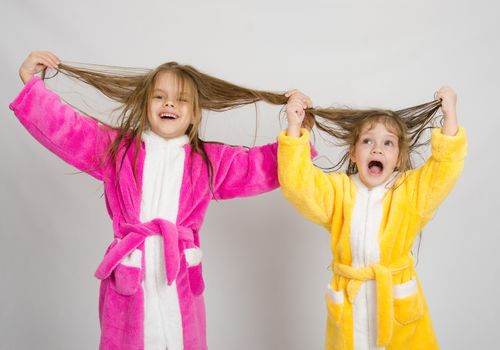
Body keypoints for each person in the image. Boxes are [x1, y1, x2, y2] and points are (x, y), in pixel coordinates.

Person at [10, 51, 310, 350]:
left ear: (195, 114)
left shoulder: (208, 162)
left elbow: (259, 167)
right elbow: (69, 130)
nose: (169, 104)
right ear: (145, 107)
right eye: (159, 97)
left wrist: (296, 129)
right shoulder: (117, 151)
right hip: (130, 277)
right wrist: (29, 82)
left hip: (178, 279)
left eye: (181, 100)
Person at [278, 87, 467, 349]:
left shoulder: (410, 191)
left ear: (399, 157)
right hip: (350, 307)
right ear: (353, 152)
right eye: (368, 141)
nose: (377, 149)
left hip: (397, 307)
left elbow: (444, 170)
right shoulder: (338, 192)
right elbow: (298, 185)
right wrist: (295, 128)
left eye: (388, 142)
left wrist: (450, 117)